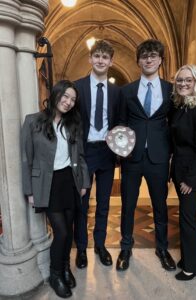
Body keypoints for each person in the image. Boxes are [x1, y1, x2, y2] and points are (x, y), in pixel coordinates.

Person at [21, 80, 90, 298]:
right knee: (60, 231)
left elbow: (79, 156)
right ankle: (55, 274)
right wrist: (29, 190)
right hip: (46, 184)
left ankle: (66, 267)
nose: (69, 102)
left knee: (68, 229)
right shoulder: (33, 121)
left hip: (69, 180)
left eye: (73, 99)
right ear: (56, 94)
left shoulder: (72, 124)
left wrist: (84, 183)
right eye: (66, 96)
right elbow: (25, 159)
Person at [116, 39, 176, 271]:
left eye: (153, 55)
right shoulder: (127, 90)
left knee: (160, 205)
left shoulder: (170, 90)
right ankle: (125, 248)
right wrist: (121, 151)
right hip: (132, 158)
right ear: (138, 61)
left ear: (160, 60)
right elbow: (121, 122)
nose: (149, 59)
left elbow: (175, 123)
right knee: (128, 205)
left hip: (159, 158)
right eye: (144, 56)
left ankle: (162, 248)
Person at [74, 40, 120, 268]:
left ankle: (100, 245)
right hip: (84, 152)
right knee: (82, 203)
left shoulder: (116, 91)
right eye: (97, 56)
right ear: (90, 59)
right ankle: (81, 249)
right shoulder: (77, 87)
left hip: (107, 152)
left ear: (111, 61)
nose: (101, 60)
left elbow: (120, 122)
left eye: (105, 57)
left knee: (103, 203)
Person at [170, 64, 196, 280]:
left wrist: (190, 180)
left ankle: (193, 267)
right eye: (180, 80)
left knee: (187, 218)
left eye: (188, 80)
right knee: (186, 218)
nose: (183, 84)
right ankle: (190, 257)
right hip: (180, 172)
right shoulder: (182, 107)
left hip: (192, 176)